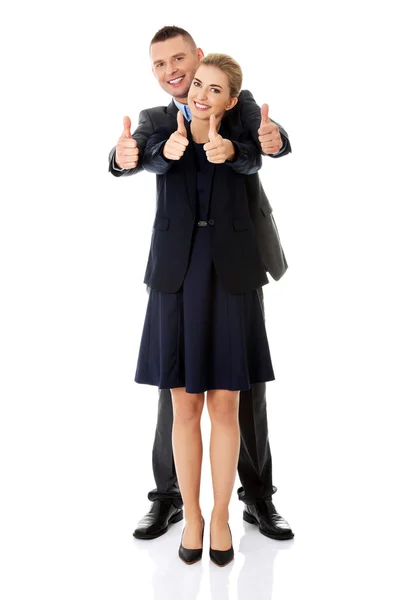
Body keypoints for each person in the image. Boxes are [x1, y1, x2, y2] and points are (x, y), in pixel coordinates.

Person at [108, 26, 294, 545]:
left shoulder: (238, 104)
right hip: (178, 266)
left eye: (179, 59)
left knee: (243, 389)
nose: (171, 70)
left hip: (234, 261)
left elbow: (264, 146)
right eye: (159, 64)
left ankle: (256, 498)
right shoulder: (153, 120)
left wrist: (264, 143)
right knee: (178, 390)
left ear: (200, 56)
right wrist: (128, 158)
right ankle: (170, 499)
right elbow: (137, 156)